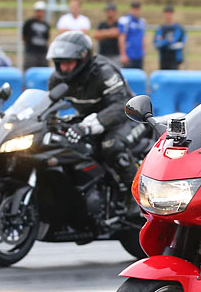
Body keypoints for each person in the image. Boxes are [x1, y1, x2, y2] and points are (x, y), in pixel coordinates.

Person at [46, 31, 138, 198]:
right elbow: (48, 106)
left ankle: (136, 197)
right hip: (89, 119)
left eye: (69, 62)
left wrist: (88, 126)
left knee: (112, 146)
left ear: (83, 59)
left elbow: (121, 105)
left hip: (127, 118)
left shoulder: (103, 72)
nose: (64, 68)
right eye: (60, 63)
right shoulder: (57, 78)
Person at [154, 5, 186, 70]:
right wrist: (167, 41)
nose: (168, 15)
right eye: (166, 13)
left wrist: (164, 41)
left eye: (170, 13)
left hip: (174, 59)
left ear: (173, 14)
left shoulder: (178, 28)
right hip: (163, 58)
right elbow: (157, 43)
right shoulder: (161, 28)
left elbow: (177, 41)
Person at [118, 1, 147, 69]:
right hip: (129, 55)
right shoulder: (126, 20)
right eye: (134, 9)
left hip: (139, 55)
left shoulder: (142, 22)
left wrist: (143, 50)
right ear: (131, 9)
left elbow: (143, 37)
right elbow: (122, 37)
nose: (136, 11)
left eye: (137, 9)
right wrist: (123, 54)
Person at [22, 1, 50, 70]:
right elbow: (24, 36)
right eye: (38, 11)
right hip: (31, 52)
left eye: (41, 11)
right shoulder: (29, 23)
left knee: (44, 70)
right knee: (29, 69)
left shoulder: (46, 24)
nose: (40, 13)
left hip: (42, 52)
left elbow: (47, 38)